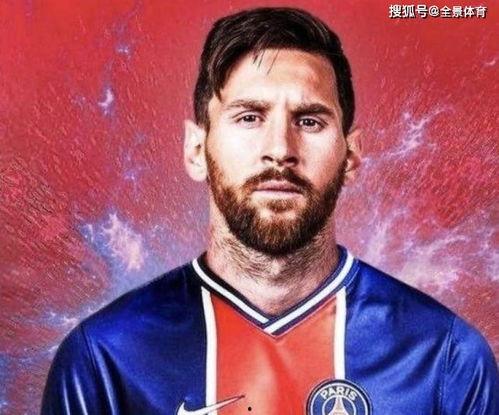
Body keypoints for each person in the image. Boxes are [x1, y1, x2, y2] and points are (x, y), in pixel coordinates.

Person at [42, 7, 498, 415]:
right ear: (196, 150)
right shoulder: (104, 359)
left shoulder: (445, 359)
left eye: (309, 121)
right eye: (249, 117)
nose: (280, 149)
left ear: (351, 156)